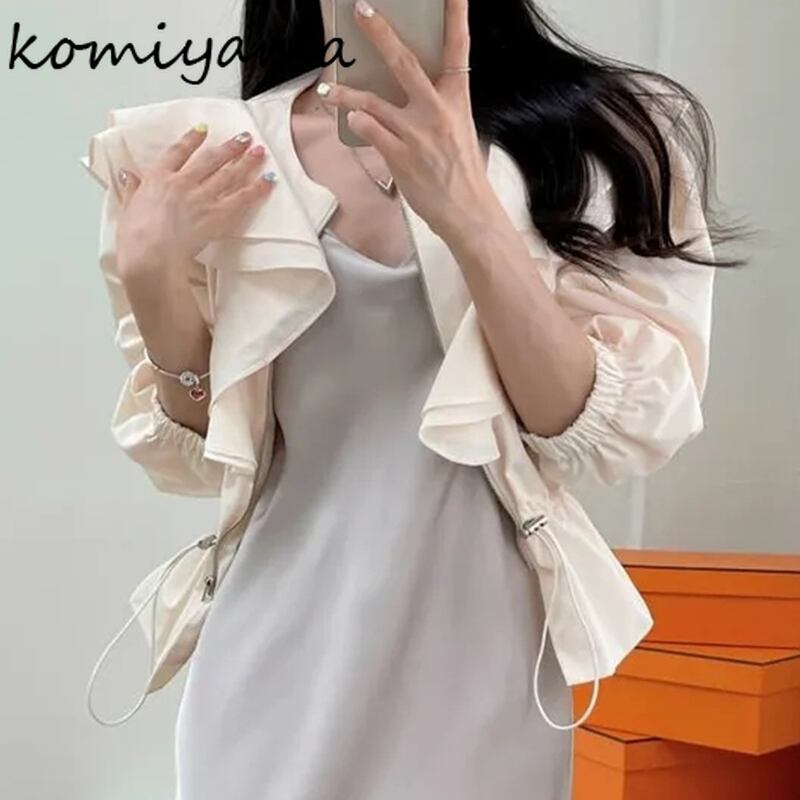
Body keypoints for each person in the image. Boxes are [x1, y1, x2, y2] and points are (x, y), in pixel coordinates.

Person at [89, 0, 743, 797]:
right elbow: (203, 454)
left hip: (481, 662)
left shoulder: (604, 137)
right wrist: (152, 280)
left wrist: (471, 215)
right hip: (271, 669)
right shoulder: (219, 149)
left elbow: (600, 434)